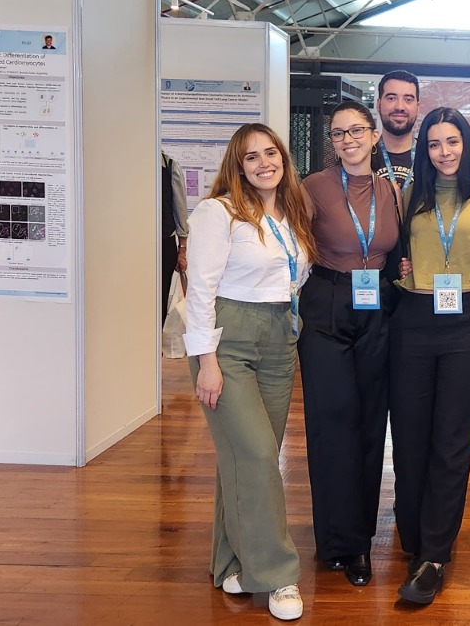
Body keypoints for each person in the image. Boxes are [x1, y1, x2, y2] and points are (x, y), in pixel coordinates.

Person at [183, 123, 315, 621]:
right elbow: (201, 289)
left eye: (270, 153)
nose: (264, 163)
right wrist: (207, 362)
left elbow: (292, 275)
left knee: (245, 457)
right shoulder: (218, 212)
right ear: (237, 166)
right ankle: (278, 575)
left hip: (280, 336)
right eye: (251, 157)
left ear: (282, 157)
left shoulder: (290, 210)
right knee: (258, 455)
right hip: (228, 339)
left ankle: (229, 563)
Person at [388, 107, 470, 604]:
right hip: (413, 320)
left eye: (453, 141)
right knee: (411, 436)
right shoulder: (408, 194)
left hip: (466, 322)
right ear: (424, 149)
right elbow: (390, 250)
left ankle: (435, 551)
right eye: (435, 144)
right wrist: (401, 269)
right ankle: (413, 534)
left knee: (453, 439)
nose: (445, 152)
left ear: (468, 144)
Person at [298, 100, 401, 588]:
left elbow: (397, 249)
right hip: (328, 302)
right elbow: (289, 243)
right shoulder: (312, 187)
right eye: (338, 133)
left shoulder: (392, 190)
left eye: (356, 130)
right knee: (331, 421)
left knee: (369, 421)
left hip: (378, 302)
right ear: (331, 142)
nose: (347, 140)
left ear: (375, 135)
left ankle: (360, 541)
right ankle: (336, 541)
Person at [373, 70, 422, 190]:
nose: (400, 107)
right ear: (378, 105)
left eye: (408, 99)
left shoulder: (431, 156)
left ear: (417, 107)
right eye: (391, 98)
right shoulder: (363, 156)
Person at [162, 150, 189, 318]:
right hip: (134, 243)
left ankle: (153, 340)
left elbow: (180, 209)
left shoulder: (169, 165)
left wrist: (182, 250)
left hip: (164, 243)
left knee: (160, 297)